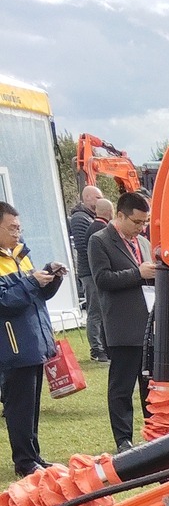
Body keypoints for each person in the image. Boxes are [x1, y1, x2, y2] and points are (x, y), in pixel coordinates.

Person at [0, 200, 66, 477]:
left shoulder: (20, 254)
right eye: (12, 228)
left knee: (31, 406)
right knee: (19, 407)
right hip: (12, 346)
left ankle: (33, 456)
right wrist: (32, 282)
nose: (18, 232)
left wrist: (52, 277)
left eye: (19, 227)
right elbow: (5, 301)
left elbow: (36, 296)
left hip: (32, 341)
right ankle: (25, 461)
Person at [88, 188, 154, 450]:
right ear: (120, 215)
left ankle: (155, 431)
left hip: (148, 325)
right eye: (137, 222)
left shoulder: (144, 243)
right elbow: (102, 279)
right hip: (122, 326)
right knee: (121, 388)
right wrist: (138, 273)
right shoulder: (100, 241)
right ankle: (123, 439)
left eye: (144, 222)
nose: (141, 227)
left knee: (151, 385)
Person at [67, 183, 109, 360]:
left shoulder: (90, 218)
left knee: (101, 309)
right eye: (98, 197)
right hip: (89, 271)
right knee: (95, 310)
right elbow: (83, 246)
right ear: (87, 198)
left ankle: (103, 347)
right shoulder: (79, 218)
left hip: (94, 269)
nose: (100, 200)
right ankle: (96, 350)